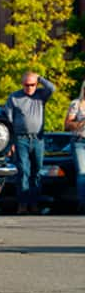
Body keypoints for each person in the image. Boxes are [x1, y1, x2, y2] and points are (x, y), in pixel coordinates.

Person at [5, 71, 55, 214]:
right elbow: (9, 120)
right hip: (21, 139)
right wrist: (10, 143)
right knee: (23, 171)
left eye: (32, 85)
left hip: (38, 139)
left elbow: (52, 88)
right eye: (26, 85)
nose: (29, 88)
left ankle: (34, 204)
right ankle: (22, 204)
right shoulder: (14, 97)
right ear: (22, 84)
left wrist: (40, 78)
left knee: (37, 171)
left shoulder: (41, 95)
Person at [64, 80, 85, 214]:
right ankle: (83, 203)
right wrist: (82, 121)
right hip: (80, 141)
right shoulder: (76, 104)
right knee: (83, 173)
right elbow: (67, 125)